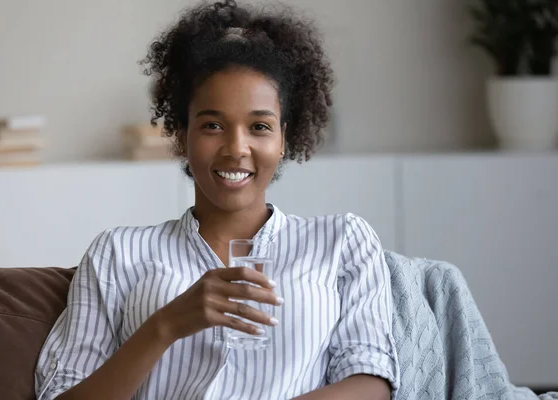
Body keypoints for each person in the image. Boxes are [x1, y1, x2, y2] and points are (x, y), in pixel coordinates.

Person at [34, 1, 399, 399]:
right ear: (182, 134)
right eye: (212, 125)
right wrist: (166, 325)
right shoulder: (117, 253)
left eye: (259, 126)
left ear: (283, 140)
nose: (236, 148)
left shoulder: (341, 241)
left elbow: (371, 382)